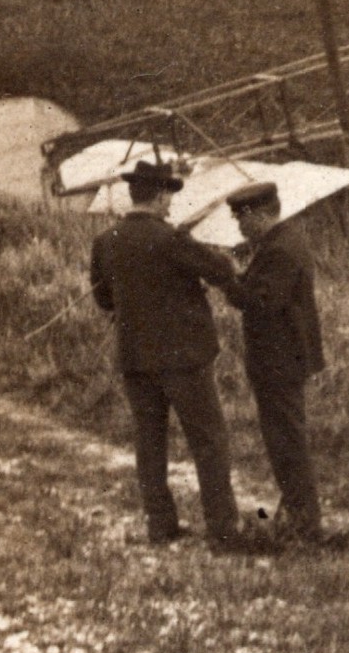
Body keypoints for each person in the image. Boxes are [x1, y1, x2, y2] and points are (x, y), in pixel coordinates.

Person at [90, 161, 264, 554]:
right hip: (184, 359)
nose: (171, 203)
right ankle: (222, 529)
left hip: (135, 358)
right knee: (208, 441)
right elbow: (220, 269)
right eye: (169, 195)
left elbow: (103, 299)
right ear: (160, 195)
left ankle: (160, 525)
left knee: (149, 443)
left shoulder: (106, 241)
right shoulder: (171, 238)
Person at [224, 182, 349, 551]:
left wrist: (228, 280)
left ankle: (304, 520)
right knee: (285, 436)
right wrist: (241, 274)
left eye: (241, 219)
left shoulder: (279, 249)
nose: (239, 226)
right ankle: (297, 512)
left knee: (286, 439)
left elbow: (261, 302)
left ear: (258, 215)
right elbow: (265, 291)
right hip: (284, 358)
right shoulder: (281, 242)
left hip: (279, 360)